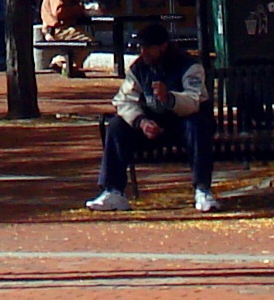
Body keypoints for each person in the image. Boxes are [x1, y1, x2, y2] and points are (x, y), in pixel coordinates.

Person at [84, 21, 216, 214]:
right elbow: (123, 100)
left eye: (148, 47)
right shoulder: (139, 68)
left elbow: (195, 100)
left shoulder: (189, 66)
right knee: (116, 125)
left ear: (163, 46)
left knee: (198, 124)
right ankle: (113, 191)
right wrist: (141, 121)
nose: (143, 52)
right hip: (151, 130)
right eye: (141, 47)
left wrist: (169, 98)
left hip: (181, 128)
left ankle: (203, 190)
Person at [38, 0, 92, 75]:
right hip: (56, 29)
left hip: (64, 28)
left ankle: (61, 62)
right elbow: (59, 12)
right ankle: (70, 66)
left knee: (81, 43)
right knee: (89, 42)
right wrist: (78, 9)